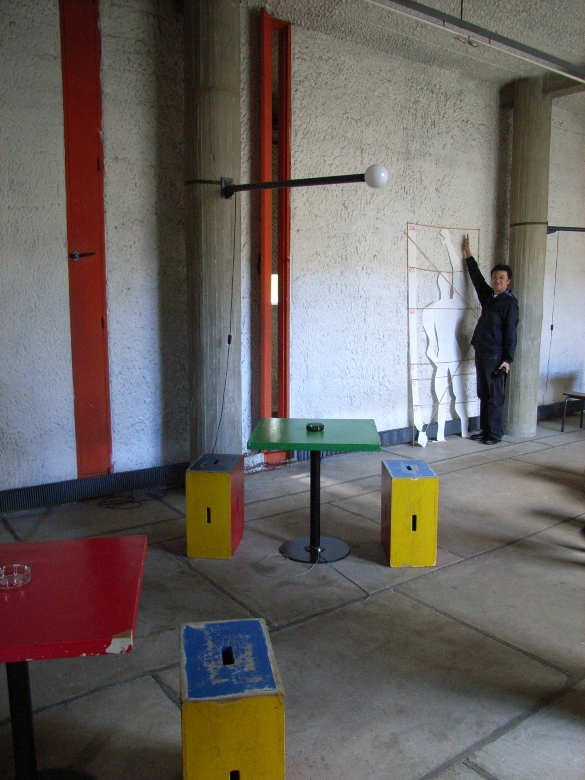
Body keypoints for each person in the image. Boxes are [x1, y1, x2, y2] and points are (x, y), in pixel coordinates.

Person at [463, 235, 519, 444]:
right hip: (482, 352)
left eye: (502, 278)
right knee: (483, 393)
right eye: (495, 277)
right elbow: (477, 278)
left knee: (495, 396)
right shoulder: (489, 296)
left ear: (508, 281)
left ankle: (495, 434)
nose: (497, 280)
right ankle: (486, 430)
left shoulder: (509, 303)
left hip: (496, 357)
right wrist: (468, 255)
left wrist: (507, 359)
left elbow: (511, 332)